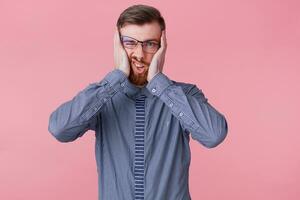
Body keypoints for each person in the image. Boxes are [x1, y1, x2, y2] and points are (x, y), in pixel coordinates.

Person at [48, 4, 228, 200]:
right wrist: (116, 77)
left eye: (150, 44)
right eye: (130, 43)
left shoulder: (184, 95)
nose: (140, 55)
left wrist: (161, 84)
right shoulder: (101, 97)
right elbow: (59, 129)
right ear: (117, 44)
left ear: (162, 47)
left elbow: (214, 134)